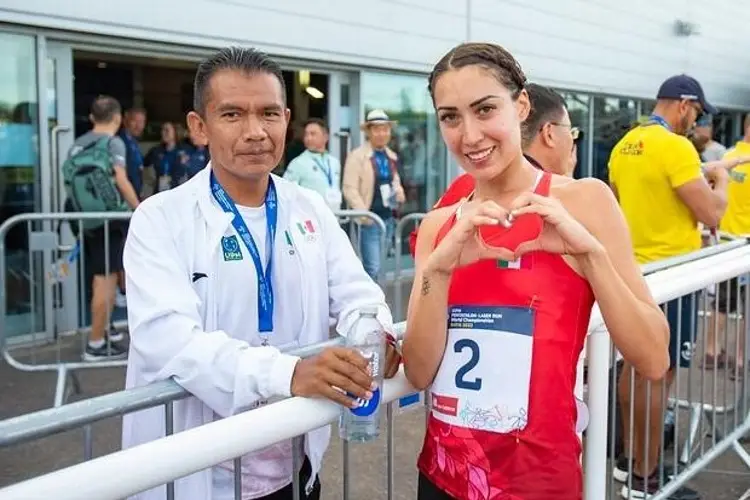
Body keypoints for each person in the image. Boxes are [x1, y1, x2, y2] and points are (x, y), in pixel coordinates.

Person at [122, 47, 401, 500]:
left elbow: (357, 294)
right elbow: (167, 339)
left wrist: (374, 332)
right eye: (232, 114)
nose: (255, 131)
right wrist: (287, 374)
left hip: (293, 466)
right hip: (203, 475)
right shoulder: (161, 219)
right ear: (199, 126)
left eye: (269, 113)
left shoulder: (307, 207)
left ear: (286, 120)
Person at [402, 42, 669, 500]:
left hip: (540, 482)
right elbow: (421, 370)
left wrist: (590, 258)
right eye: (450, 117)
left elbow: (653, 357)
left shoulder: (583, 201)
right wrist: (438, 273)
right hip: (444, 477)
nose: (469, 135)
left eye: (485, 109)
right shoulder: (439, 225)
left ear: (521, 105)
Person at [608, 74, 736, 500]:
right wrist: (718, 179)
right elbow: (712, 213)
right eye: (696, 112)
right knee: (659, 374)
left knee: (634, 369)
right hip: (673, 276)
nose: (695, 122)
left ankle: (630, 464)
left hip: (634, 273)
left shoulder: (625, 145)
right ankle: (646, 477)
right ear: (683, 105)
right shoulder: (676, 146)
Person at [407, 83, 580, 256]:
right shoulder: (470, 185)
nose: (471, 138)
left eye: (485, 110)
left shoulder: (577, 196)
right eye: (571, 131)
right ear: (549, 133)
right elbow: (423, 243)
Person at [66, 95, 140, 360]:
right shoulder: (113, 143)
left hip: (87, 221)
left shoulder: (76, 146)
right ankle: (95, 344)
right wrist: (139, 208)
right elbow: (120, 179)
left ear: (91, 118)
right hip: (111, 220)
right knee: (105, 281)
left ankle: (106, 330)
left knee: (99, 275)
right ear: (118, 118)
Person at [342, 109, 406, 280]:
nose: (381, 134)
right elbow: (349, 188)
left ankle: (379, 303)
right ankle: (371, 305)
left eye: (385, 129)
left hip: (389, 218)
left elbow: (394, 182)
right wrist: (365, 215)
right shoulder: (357, 156)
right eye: (377, 129)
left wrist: (400, 193)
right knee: (373, 269)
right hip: (369, 220)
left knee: (382, 267)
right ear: (368, 132)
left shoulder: (391, 156)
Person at [283, 118, 343, 211]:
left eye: (313, 134)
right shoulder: (298, 163)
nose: (308, 138)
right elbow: (286, 193)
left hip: (334, 217)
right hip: (309, 219)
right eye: (306, 134)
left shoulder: (334, 162)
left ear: (325, 137)